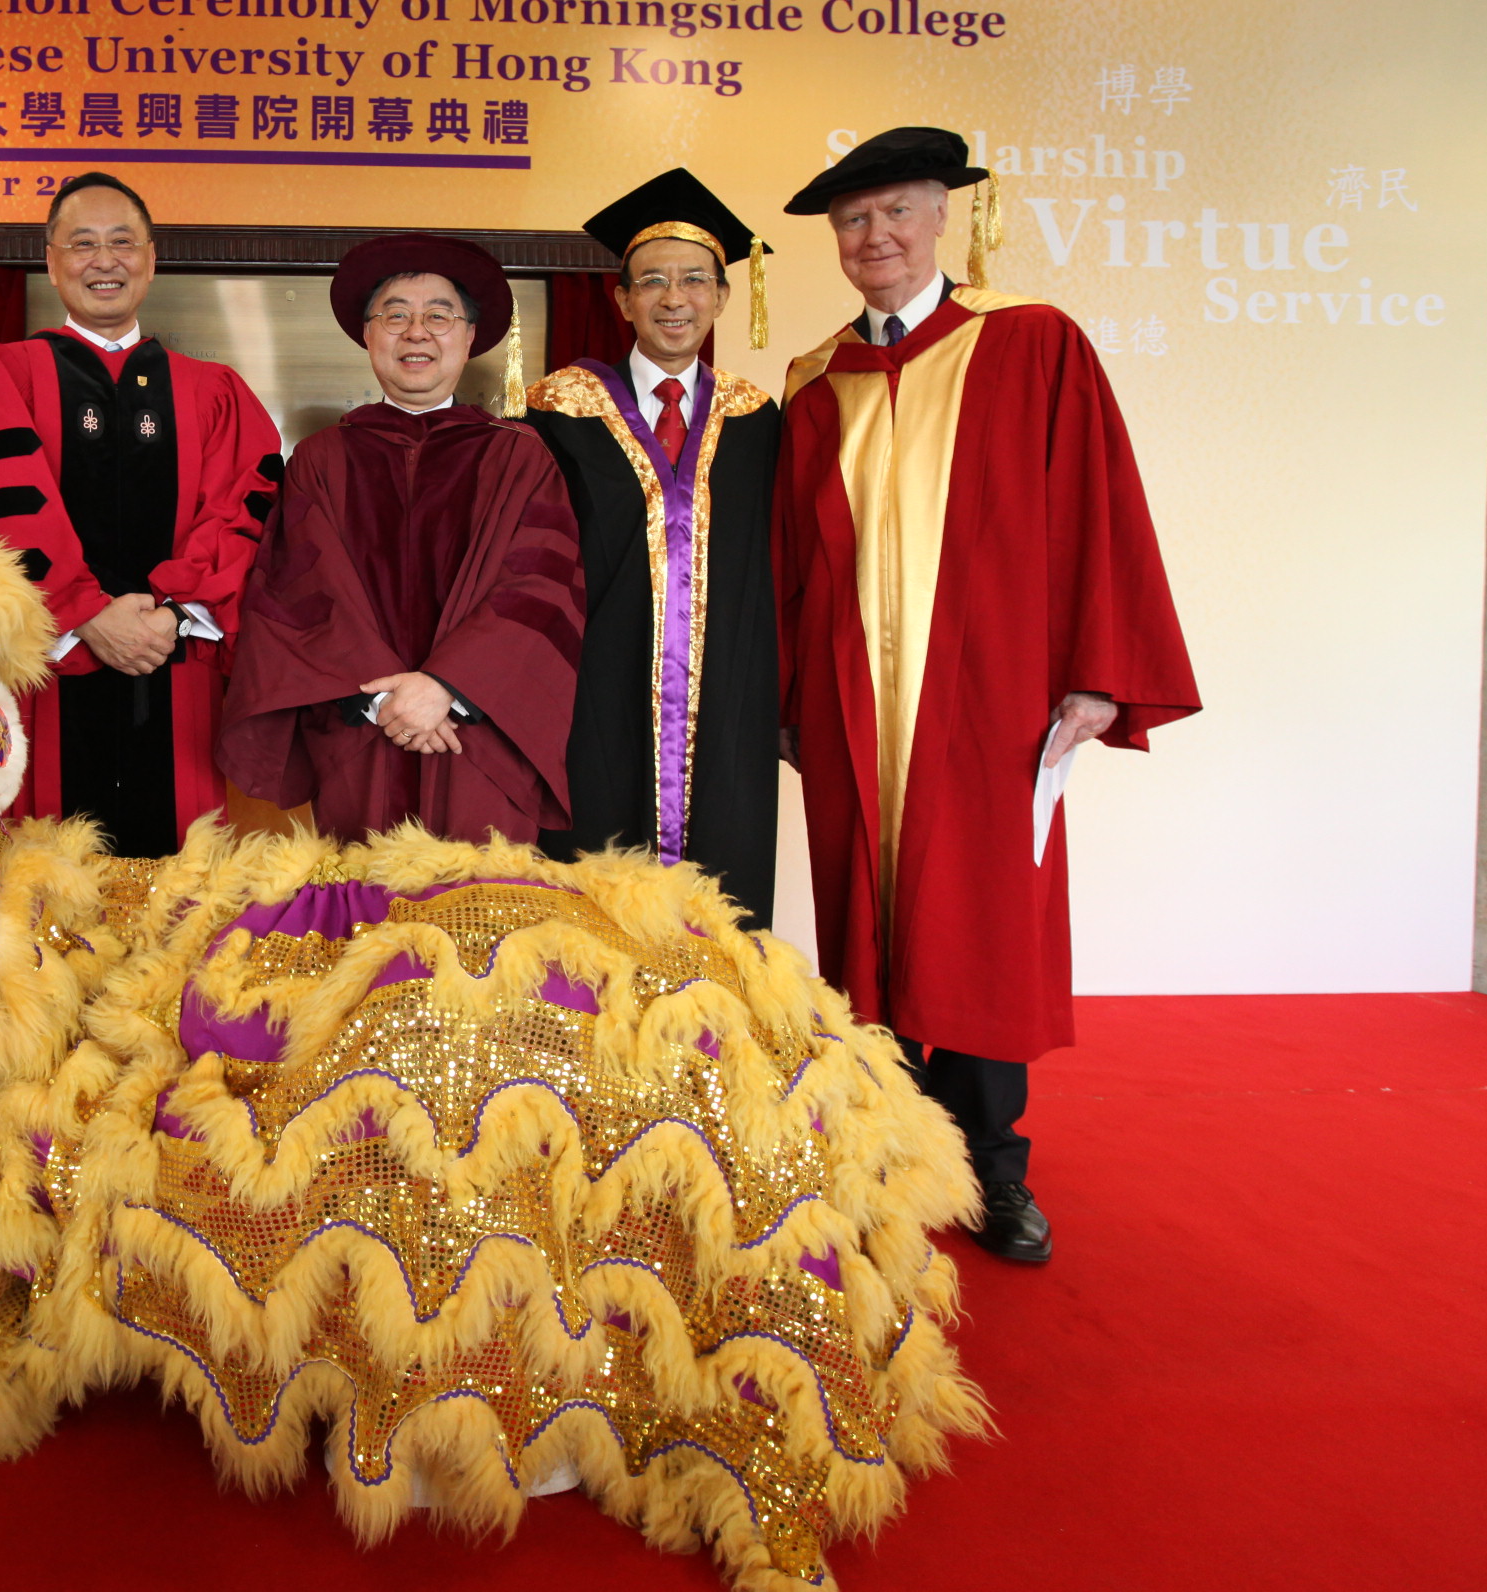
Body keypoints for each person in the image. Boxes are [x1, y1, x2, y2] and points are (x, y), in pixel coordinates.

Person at [773, 126, 1199, 1264]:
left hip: (995, 699)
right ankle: (882, 1158)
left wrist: (1100, 676)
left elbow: (1098, 509)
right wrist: (781, 696)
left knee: (980, 931)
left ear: (943, 217)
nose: (876, 237)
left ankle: (995, 1172)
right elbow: (786, 558)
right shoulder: (817, 380)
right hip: (855, 710)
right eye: (855, 221)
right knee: (865, 927)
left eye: (897, 213)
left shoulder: (1030, 343)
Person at [0, 174, 282, 855]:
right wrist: (86, 614)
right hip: (54, 673)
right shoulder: (2, 373)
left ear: (151, 260)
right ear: (52, 260)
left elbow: (248, 510)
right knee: (48, 892)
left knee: (181, 901)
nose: (105, 261)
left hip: (179, 669)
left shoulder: (215, 390)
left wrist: (174, 613)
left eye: (123, 243)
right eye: (83, 244)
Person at [217, 234, 582, 845]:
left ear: (470, 337)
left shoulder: (520, 459)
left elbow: (538, 592)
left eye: (439, 315)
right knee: (360, 922)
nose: (417, 332)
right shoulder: (320, 461)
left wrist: (448, 688)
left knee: (478, 917)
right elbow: (301, 593)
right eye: (395, 315)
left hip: (480, 736)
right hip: (361, 731)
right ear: (368, 335)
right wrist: (387, 701)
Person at [530, 168, 782, 925]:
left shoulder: (759, 421)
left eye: (696, 280)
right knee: (592, 898)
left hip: (727, 703)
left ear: (724, 296)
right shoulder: (559, 412)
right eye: (653, 282)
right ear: (623, 299)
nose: (675, 300)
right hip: (593, 701)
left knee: (723, 900)